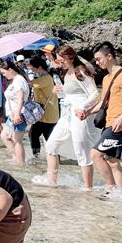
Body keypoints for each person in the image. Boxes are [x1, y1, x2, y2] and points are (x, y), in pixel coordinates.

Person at [43, 46, 100, 189]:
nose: (59, 62)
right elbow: (69, 95)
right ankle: (52, 181)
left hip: (79, 114)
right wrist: (58, 92)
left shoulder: (80, 70)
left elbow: (94, 94)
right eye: (58, 60)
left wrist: (83, 107)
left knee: (81, 148)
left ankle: (88, 187)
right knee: (51, 145)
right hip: (66, 115)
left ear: (71, 57)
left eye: (62, 60)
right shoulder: (65, 72)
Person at [88, 42, 122, 193]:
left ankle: (110, 188)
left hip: (120, 125)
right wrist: (87, 112)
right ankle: (121, 192)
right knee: (112, 161)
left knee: (95, 154)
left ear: (109, 56)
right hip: (110, 122)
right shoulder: (106, 78)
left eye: (98, 59)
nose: (97, 63)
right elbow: (104, 103)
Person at [0, 59, 30, 166]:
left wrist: (17, 114)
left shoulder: (19, 80)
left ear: (10, 70)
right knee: (5, 135)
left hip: (19, 114)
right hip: (12, 115)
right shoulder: (15, 80)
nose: (3, 76)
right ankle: (15, 157)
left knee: (17, 139)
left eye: (4, 73)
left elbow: (21, 98)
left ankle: (20, 162)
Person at [28, 56, 59, 159]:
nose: (32, 70)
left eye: (33, 68)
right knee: (34, 134)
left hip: (48, 115)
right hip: (42, 115)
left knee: (48, 139)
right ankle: (38, 156)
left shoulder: (46, 79)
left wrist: (20, 74)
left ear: (40, 67)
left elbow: (29, 84)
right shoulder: (43, 78)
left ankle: (43, 158)